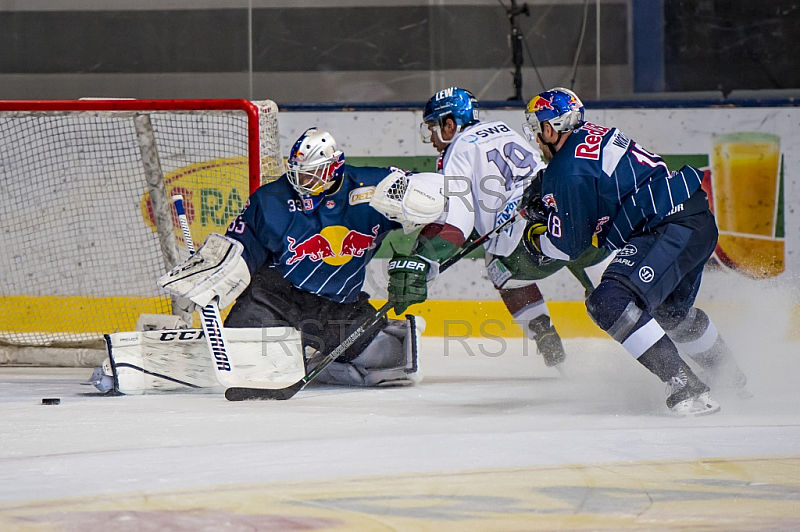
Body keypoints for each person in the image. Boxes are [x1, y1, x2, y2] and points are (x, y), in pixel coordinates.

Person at [521, 87, 747, 415]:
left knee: (608, 301)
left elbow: (570, 246)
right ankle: (733, 381)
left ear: (551, 128)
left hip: (668, 228)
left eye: (537, 129)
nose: (537, 139)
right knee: (670, 313)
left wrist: (537, 236)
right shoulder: (598, 133)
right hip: (696, 219)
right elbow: (605, 188)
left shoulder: (564, 170)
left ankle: (685, 384)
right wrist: (554, 198)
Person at [384, 87, 609, 367]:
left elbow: (458, 226)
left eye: (432, 127)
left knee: (499, 269)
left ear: (449, 124)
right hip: (562, 209)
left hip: (523, 241)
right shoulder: (503, 128)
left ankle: (547, 341)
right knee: (613, 291)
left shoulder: (457, 150)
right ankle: (653, 329)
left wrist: (424, 262)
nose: (431, 139)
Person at [221, 127, 423, 387]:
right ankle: (300, 356)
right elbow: (238, 251)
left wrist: (422, 258)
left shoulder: (374, 189)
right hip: (274, 298)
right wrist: (214, 276)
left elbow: (429, 197)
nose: (301, 182)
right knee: (244, 365)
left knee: (390, 360)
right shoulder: (270, 200)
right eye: (298, 173)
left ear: (334, 167)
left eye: (311, 174)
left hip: (338, 308)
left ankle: (323, 363)